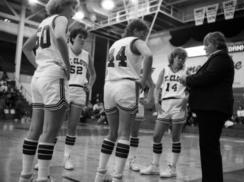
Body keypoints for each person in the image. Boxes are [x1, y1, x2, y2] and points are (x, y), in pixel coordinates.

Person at [18, 0, 79, 181]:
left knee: (34, 130)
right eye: (73, 7)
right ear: (63, 5)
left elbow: (26, 48)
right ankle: (43, 177)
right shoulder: (60, 19)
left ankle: (25, 175)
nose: (74, 12)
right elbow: (60, 37)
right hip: (53, 76)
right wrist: (67, 66)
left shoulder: (44, 23)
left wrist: (40, 64)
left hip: (39, 77)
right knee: (50, 131)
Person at [94, 19, 153, 182]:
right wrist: (144, 78)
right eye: (143, 32)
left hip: (109, 86)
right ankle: (117, 178)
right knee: (124, 134)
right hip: (126, 85)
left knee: (111, 133)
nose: (145, 36)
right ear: (136, 30)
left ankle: (99, 175)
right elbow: (148, 55)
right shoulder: (136, 41)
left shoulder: (115, 44)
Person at [180, 31, 234, 182]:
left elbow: (208, 77)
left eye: (207, 44)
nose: (204, 48)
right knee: (208, 147)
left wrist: (188, 79)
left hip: (212, 108)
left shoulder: (221, 57)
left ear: (216, 43)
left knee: (209, 148)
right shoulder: (218, 58)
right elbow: (207, 79)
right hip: (210, 108)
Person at [140, 48, 188, 178]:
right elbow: (156, 87)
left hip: (178, 104)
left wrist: (186, 99)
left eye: (183, 58)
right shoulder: (164, 70)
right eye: (179, 58)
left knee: (175, 138)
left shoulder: (185, 72)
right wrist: (156, 102)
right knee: (156, 136)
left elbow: (192, 88)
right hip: (165, 104)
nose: (181, 61)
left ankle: (172, 169)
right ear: (173, 58)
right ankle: (154, 166)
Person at [63, 27, 96, 170]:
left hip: (79, 91)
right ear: (71, 38)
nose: (83, 39)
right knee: (54, 126)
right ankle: (44, 158)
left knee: (72, 126)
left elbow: (93, 74)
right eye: (80, 37)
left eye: (84, 37)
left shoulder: (87, 55)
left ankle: (67, 157)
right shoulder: (64, 49)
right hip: (64, 88)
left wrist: (90, 85)